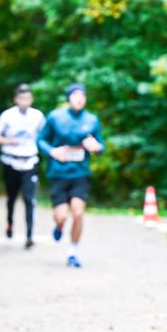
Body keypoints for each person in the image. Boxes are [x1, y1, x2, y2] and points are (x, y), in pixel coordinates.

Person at [36, 83, 104, 268]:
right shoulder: (55, 117)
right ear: (69, 98)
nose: (79, 98)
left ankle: (73, 252)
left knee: (78, 213)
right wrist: (52, 151)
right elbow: (40, 140)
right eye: (75, 95)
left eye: (82, 95)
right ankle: (58, 226)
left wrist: (96, 147)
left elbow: (100, 145)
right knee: (62, 216)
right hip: (58, 173)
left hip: (80, 173)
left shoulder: (92, 120)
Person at [0, 84, 46, 249]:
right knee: (12, 197)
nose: (25, 102)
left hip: (29, 162)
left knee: (30, 199)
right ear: (16, 99)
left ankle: (29, 236)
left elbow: (46, 135)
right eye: (22, 99)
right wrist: (8, 141)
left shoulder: (37, 116)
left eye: (28, 98)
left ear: (32, 99)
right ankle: (10, 223)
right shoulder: (7, 116)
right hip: (10, 162)